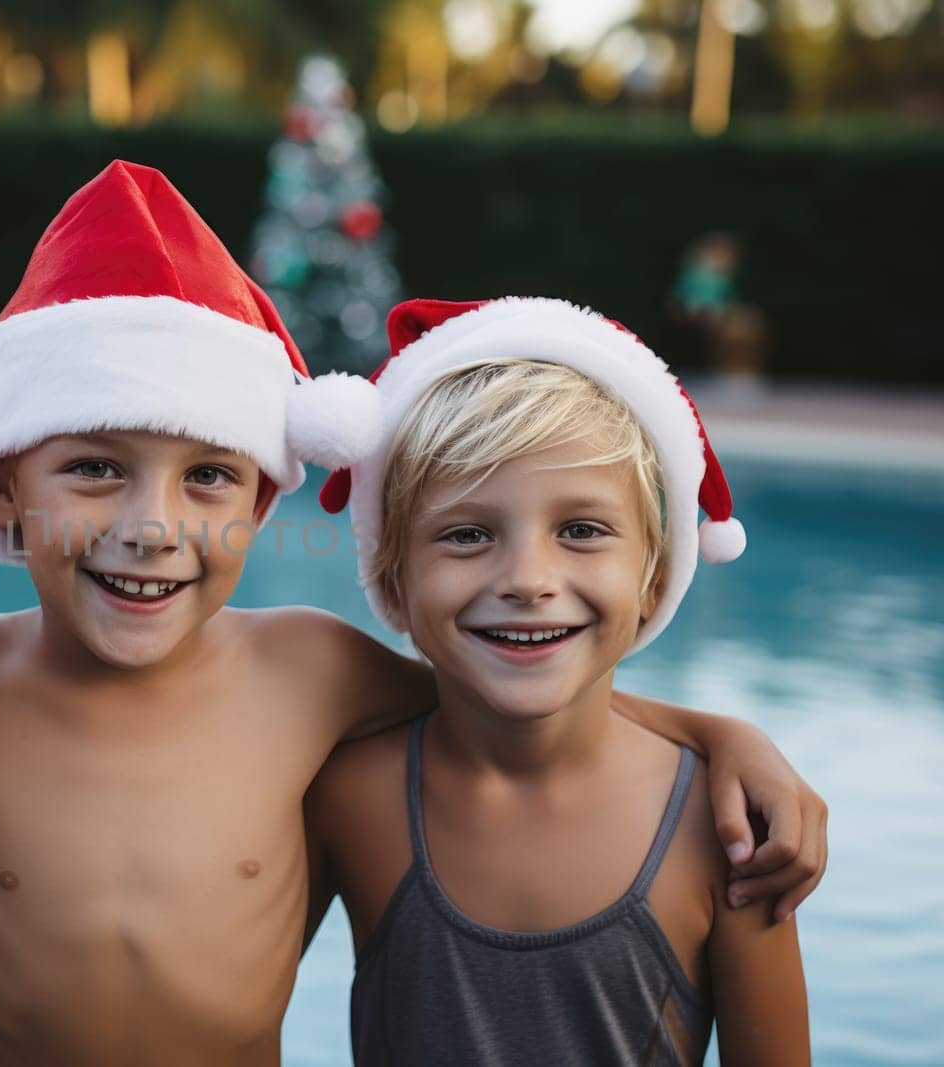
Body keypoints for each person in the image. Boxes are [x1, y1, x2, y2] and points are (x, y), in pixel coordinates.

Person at [0, 164, 826, 1066]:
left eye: (208, 477)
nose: (148, 526)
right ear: (4, 491)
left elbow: (520, 677)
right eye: (95, 466)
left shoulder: (311, 675)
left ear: (264, 500)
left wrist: (720, 735)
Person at [306, 297, 810, 1064]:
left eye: (581, 530)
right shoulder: (346, 795)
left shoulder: (729, 826)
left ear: (655, 573)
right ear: (394, 580)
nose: (528, 579)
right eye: (467, 534)